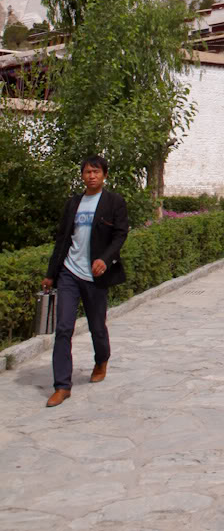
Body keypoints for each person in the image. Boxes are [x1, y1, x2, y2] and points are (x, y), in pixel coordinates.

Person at [41, 155, 129, 408]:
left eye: (96, 171)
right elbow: (62, 239)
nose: (91, 176)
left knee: (97, 326)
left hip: (95, 275)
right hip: (69, 272)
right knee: (63, 328)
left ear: (104, 175)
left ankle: (101, 359)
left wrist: (105, 259)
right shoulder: (73, 203)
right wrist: (51, 273)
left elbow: (120, 234)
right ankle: (62, 386)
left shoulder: (114, 202)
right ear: (82, 175)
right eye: (87, 172)